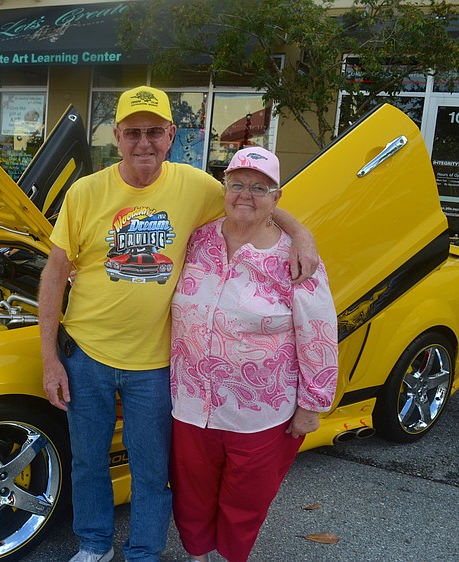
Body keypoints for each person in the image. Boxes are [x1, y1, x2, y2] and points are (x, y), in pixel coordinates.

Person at [38, 86, 319, 562]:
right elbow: (54, 273)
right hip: (85, 354)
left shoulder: (195, 186)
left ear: (171, 135)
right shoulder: (85, 192)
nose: (142, 142)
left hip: (157, 364)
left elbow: (252, 198)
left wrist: (300, 233)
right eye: (132, 132)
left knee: (152, 468)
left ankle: (144, 551)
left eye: (153, 132)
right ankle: (93, 544)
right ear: (116, 136)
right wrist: (49, 358)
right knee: (88, 462)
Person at [169, 147, 339, 562]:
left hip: (261, 411)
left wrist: (312, 404)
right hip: (190, 401)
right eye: (238, 184)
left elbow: (318, 332)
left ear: (277, 199)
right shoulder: (196, 239)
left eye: (260, 188)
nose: (246, 194)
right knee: (190, 491)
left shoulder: (296, 258)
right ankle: (197, 556)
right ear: (224, 188)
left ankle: (231, 557)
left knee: (246, 499)